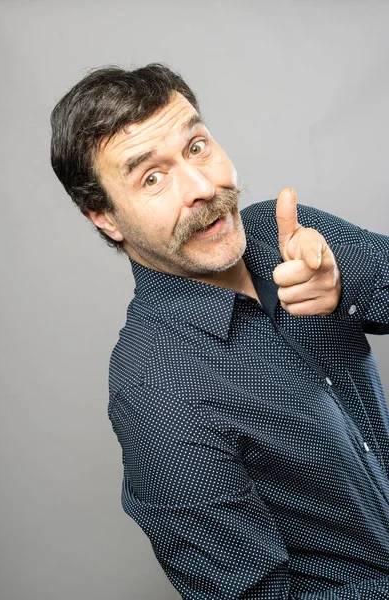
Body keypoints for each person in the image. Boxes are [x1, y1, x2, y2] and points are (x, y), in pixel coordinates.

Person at [50, 63, 389, 599]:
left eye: (197, 147)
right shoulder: (155, 390)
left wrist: (345, 289)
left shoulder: (287, 235)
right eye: (151, 178)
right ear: (106, 217)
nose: (204, 188)